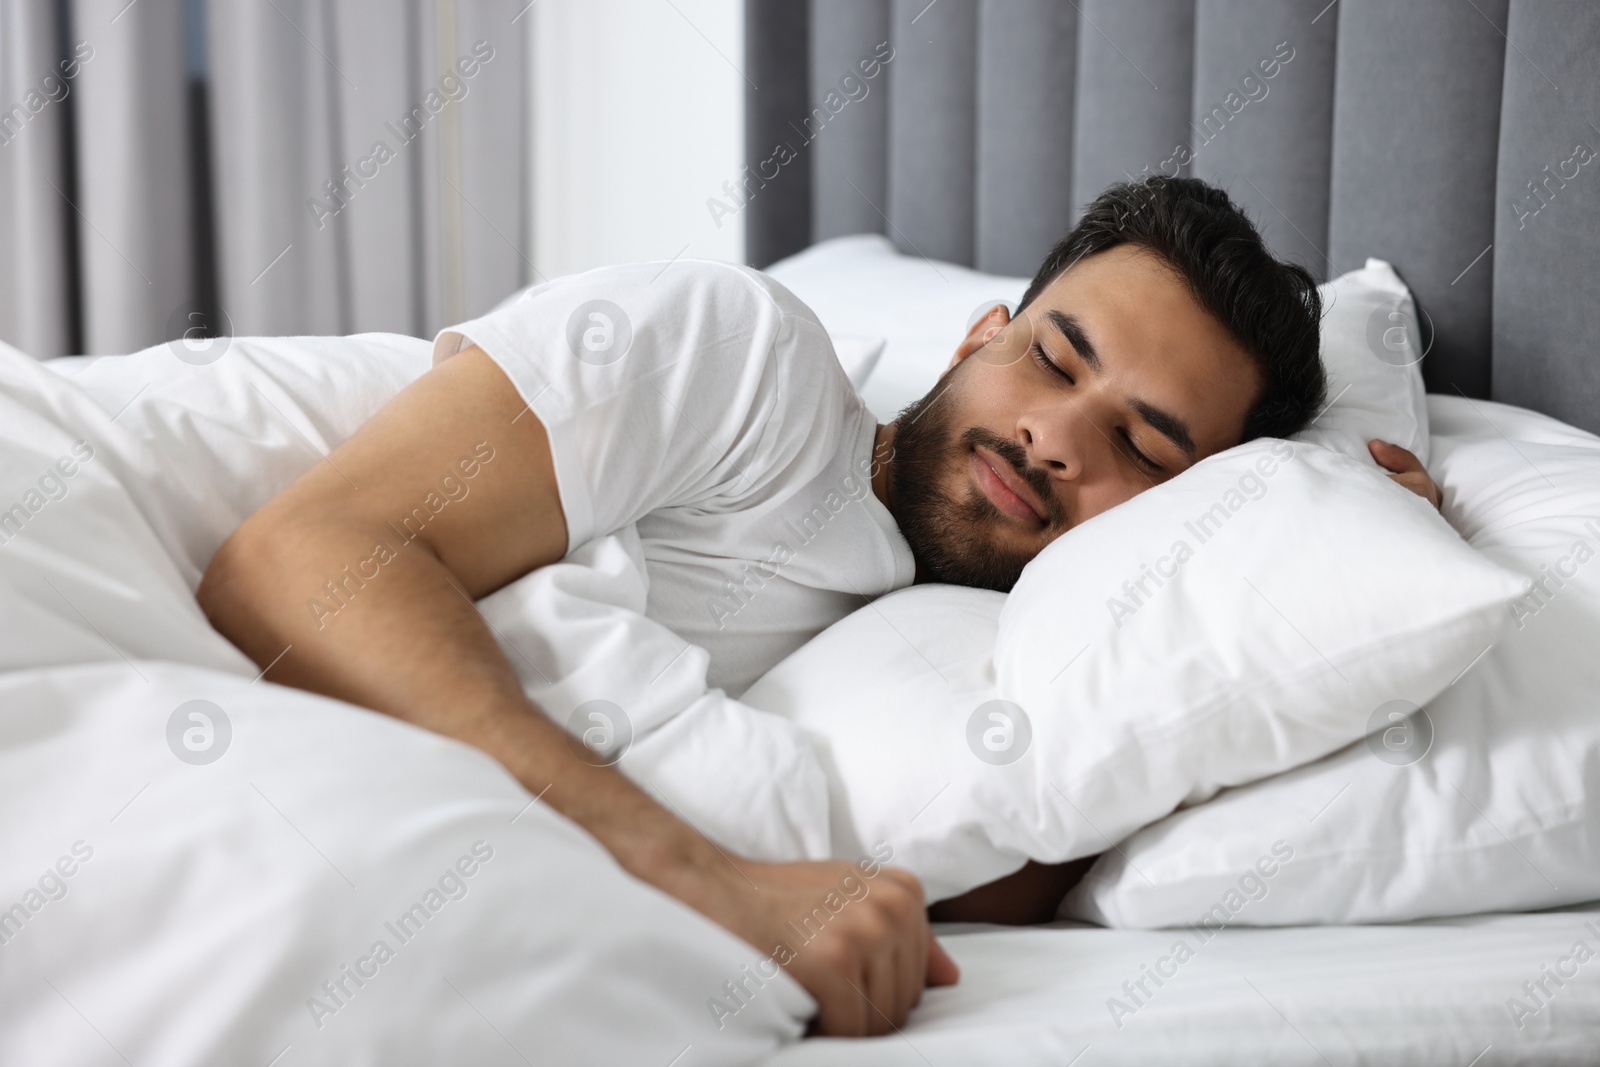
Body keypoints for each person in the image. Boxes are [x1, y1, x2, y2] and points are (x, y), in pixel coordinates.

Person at [197, 176, 1440, 1037]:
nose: (1053, 434)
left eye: (1142, 447)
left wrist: (1351, 530)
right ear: (975, 334)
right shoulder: (749, 360)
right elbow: (295, 559)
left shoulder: (980, 665)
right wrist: (709, 879)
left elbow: (1016, 858)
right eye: (1053, 358)